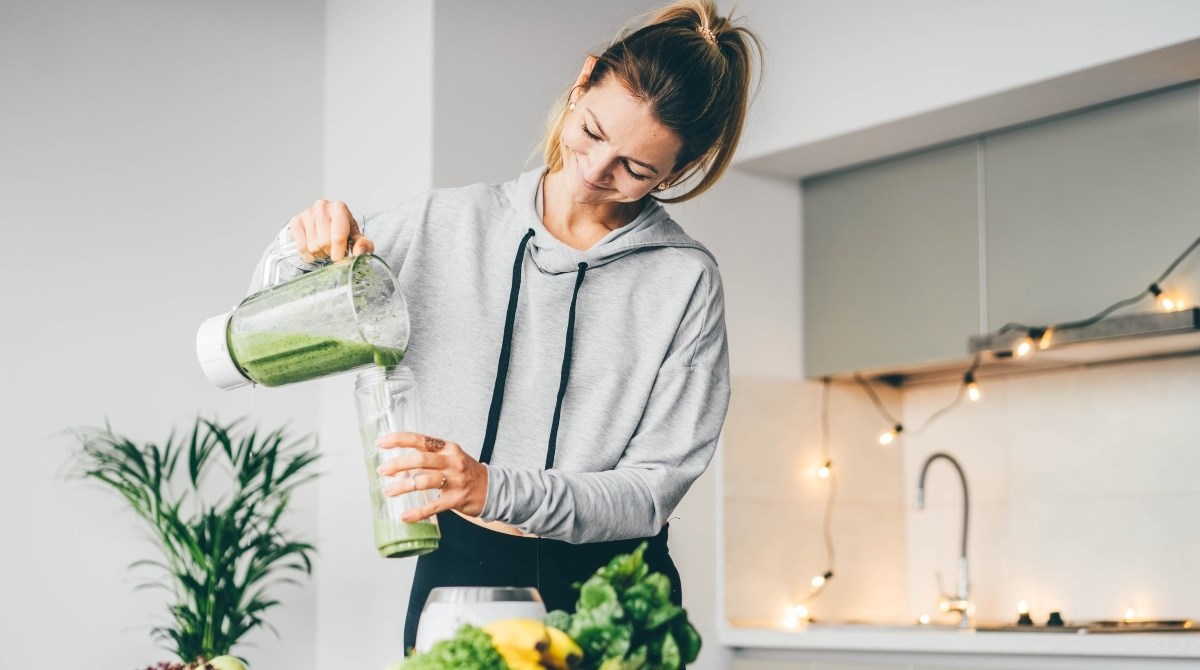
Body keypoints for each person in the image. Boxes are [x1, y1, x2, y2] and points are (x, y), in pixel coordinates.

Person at [271, 0, 763, 651]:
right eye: (591, 131)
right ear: (583, 79)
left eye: (636, 169)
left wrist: (490, 487)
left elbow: (650, 492)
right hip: (461, 572)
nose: (594, 172)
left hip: (616, 588)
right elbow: (274, 327)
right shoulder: (443, 225)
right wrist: (302, 249)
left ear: (680, 170)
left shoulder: (685, 282)